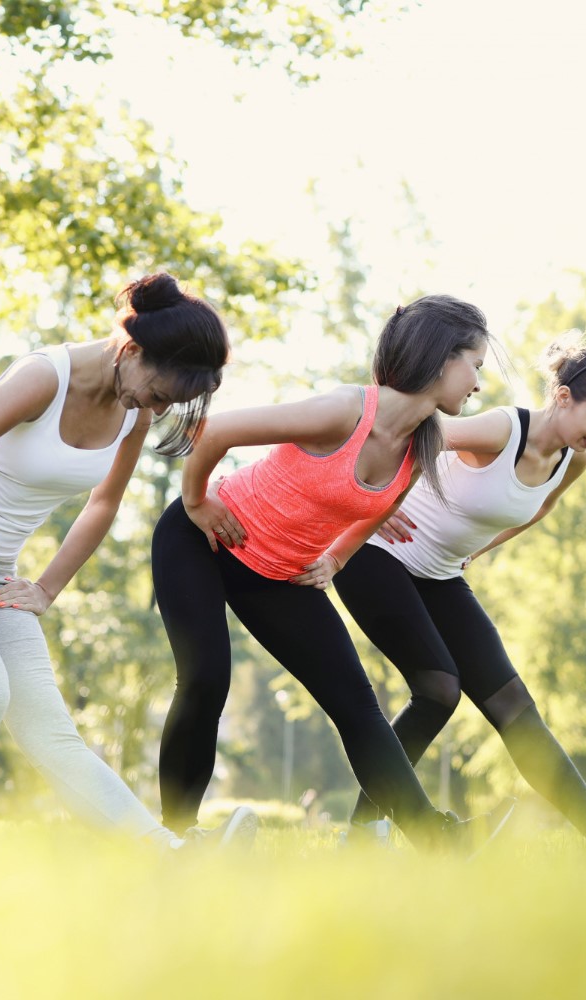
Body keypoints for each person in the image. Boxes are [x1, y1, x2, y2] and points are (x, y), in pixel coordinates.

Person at [0, 272, 235, 850]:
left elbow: (104, 502)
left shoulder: (133, 413)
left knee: (51, 732)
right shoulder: (43, 379)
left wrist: (48, 587)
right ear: (131, 350)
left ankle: (169, 855)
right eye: (159, 393)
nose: (156, 409)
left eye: (169, 404)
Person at [151, 295, 513, 852]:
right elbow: (215, 431)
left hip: (280, 574)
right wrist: (198, 503)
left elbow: (379, 508)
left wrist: (339, 556)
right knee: (205, 678)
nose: (479, 384)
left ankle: (433, 838)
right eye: (477, 366)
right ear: (443, 359)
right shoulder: (347, 412)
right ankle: (175, 837)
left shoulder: (422, 444)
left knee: (355, 703)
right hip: (202, 540)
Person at [332, 333, 586, 849]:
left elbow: (540, 507)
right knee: (438, 689)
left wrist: (479, 550)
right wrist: (371, 503)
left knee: (514, 703)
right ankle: (366, 832)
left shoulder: (573, 459)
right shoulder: (502, 428)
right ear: (563, 397)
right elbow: (408, 430)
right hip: (378, 557)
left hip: (440, 573)